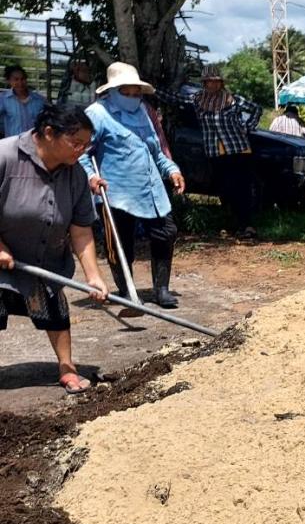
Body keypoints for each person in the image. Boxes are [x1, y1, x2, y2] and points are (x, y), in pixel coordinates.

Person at [0, 104, 109, 394]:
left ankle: (66, 368)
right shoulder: (6, 155)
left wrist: (93, 276)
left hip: (45, 259)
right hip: (3, 261)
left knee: (56, 312)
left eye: (86, 145)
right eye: (76, 143)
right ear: (49, 133)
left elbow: (81, 229)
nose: (81, 151)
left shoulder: (75, 174)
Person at [81, 62, 186, 309]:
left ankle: (161, 289)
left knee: (166, 232)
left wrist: (172, 170)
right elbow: (81, 152)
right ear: (112, 91)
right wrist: (90, 177)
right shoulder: (97, 113)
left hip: (150, 188)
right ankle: (127, 291)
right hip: (115, 190)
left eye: (135, 92)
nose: (132, 97)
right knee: (120, 241)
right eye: (126, 92)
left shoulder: (143, 111)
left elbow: (155, 149)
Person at [158, 65, 262, 239]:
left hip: (238, 149)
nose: (212, 85)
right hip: (215, 151)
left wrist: (247, 127)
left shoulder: (233, 100)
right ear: (204, 83)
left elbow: (256, 109)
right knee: (224, 188)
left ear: (220, 83)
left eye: (215, 82)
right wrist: (153, 90)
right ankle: (232, 224)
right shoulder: (198, 99)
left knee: (241, 187)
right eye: (208, 82)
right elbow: (175, 99)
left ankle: (247, 225)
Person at [1, 65, 48, 138]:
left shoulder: (39, 100)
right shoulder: (3, 99)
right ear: (9, 81)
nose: (20, 82)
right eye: (16, 79)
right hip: (13, 144)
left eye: (22, 79)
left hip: (34, 144)